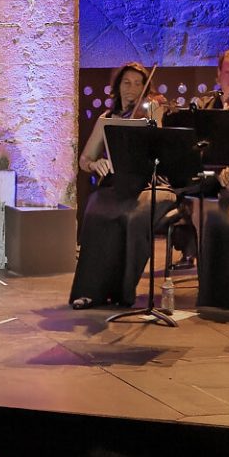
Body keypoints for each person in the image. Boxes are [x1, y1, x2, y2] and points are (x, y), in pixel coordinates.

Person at [69, 63, 174, 310]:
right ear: (117, 86)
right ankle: (90, 291)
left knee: (131, 217)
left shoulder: (151, 113)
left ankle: (122, 291)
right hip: (116, 183)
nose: (132, 89)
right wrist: (96, 163)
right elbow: (85, 159)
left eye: (138, 84)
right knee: (95, 211)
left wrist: (155, 116)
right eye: (126, 83)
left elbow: (161, 150)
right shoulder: (107, 119)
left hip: (147, 184)